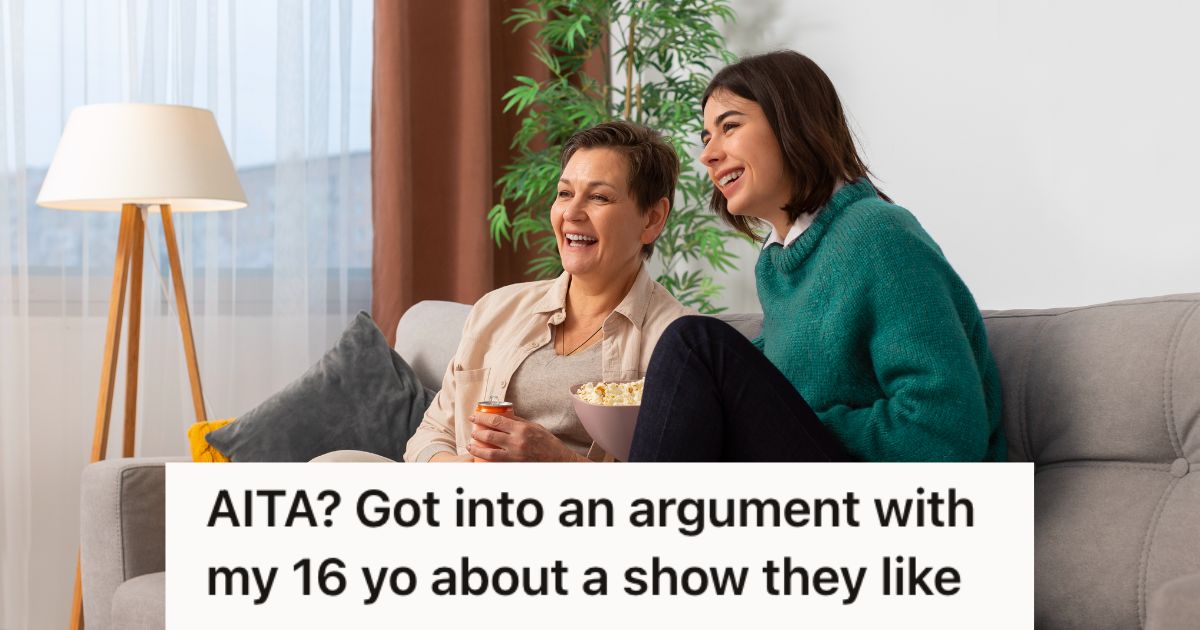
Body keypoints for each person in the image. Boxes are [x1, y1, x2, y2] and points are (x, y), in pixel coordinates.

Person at [627, 51, 1005, 462]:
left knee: (693, 342)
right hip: (818, 498)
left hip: (932, 508)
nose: (708, 155)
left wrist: (782, 420)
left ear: (793, 123)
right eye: (706, 138)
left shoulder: (878, 235)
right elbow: (781, 379)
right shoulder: (777, 264)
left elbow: (945, 430)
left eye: (729, 127)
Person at [397, 121, 693, 463]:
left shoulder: (677, 342)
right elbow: (432, 433)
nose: (571, 212)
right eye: (565, 193)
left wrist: (556, 461)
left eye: (599, 197)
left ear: (652, 219)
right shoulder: (497, 309)